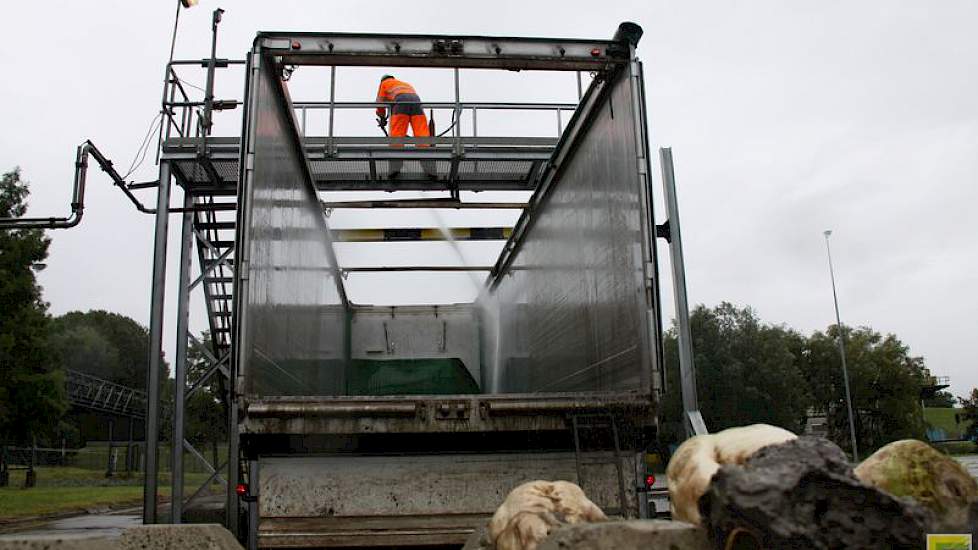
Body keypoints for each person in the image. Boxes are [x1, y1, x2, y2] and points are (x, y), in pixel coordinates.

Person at [375, 74, 433, 177]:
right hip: (416, 101)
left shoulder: (384, 83)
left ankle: (394, 169)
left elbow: (380, 103)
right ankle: (430, 169)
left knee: (397, 136)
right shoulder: (404, 84)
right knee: (422, 136)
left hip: (400, 101)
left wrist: (382, 117)